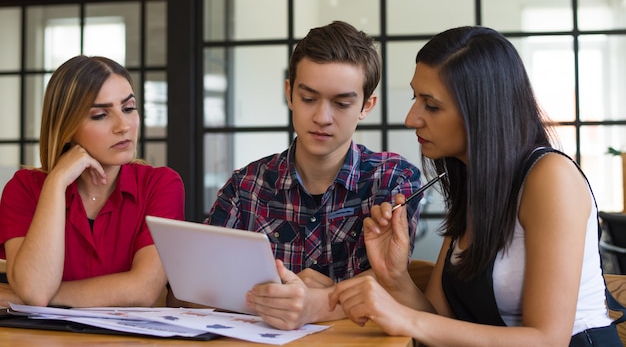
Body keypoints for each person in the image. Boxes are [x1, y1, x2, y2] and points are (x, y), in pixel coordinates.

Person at [329, 26, 621, 346]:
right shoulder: (476, 183)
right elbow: (441, 323)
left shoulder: (550, 178)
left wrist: (405, 317)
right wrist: (394, 277)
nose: (411, 118)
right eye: (416, 98)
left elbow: (548, 340)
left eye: (432, 105)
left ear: (481, 111)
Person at [202, 20, 423, 330]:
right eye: (308, 99)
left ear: (366, 105)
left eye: (342, 103)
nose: (322, 117)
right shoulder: (246, 186)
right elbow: (197, 285)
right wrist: (329, 297)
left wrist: (321, 300)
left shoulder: (393, 179)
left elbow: (391, 281)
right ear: (289, 93)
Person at [0, 55, 185, 308]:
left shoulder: (161, 185)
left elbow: (142, 291)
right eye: (100, 115)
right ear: (66, 126)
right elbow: (35, 290)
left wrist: (16, 297)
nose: (123, 126)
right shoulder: (24, 188)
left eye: (129, 108)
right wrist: (56, 182)